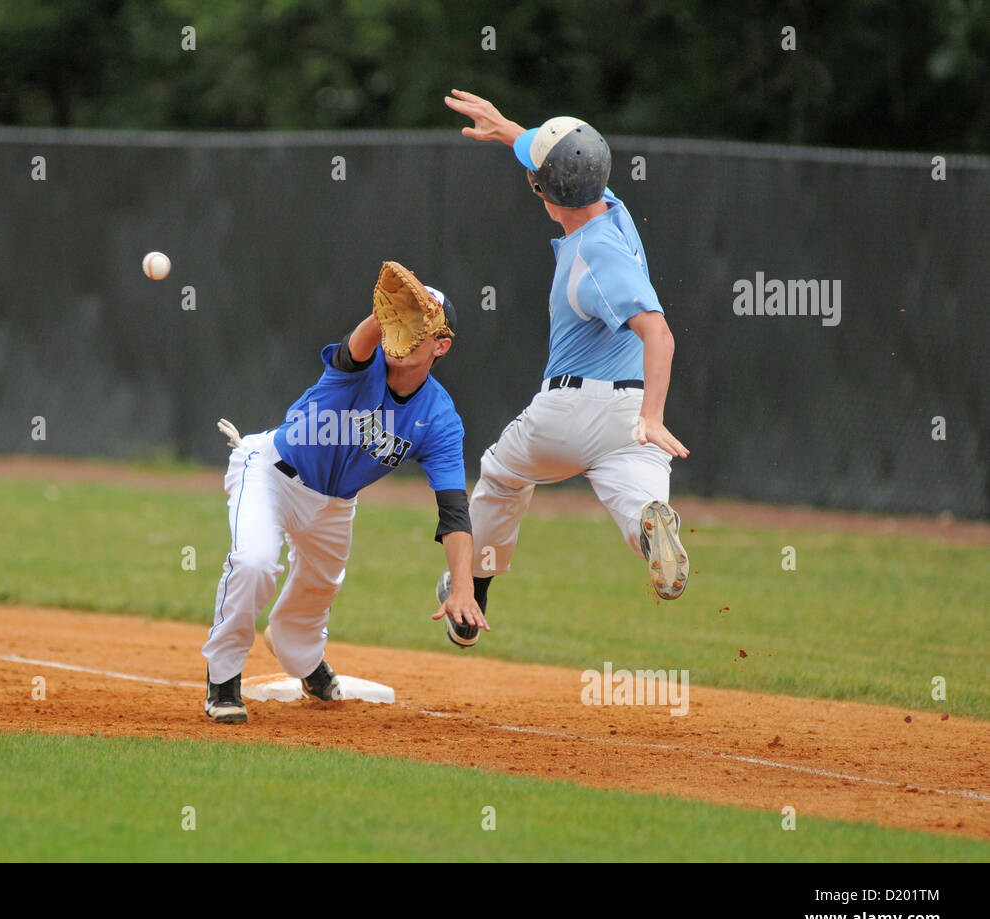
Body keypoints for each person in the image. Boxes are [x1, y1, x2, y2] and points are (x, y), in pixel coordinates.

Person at [436, 90, 691, 649]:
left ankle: (473, 590)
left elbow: (659, 332)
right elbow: (562, 157)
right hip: (627, 417)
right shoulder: (614, 210)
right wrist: (507, 129)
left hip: (573, 409)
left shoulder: (591, 256)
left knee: (501, 477)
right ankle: (653, 528)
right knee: (638, 497)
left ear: (549, 198)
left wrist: (656, 417)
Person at [203, 263, 488, 723]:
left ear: (442, 345)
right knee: (254, 562)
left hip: (335, 505)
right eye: (401, 319)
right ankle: (223, 679)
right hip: (272, 475)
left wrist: (463, 586)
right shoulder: (363, 364)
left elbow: (454, 510)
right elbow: (358, 346)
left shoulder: (439, 418)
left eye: (421, 324)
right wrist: (383, 316)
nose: (406, 330)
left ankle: (304, 661)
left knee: (316, 592)